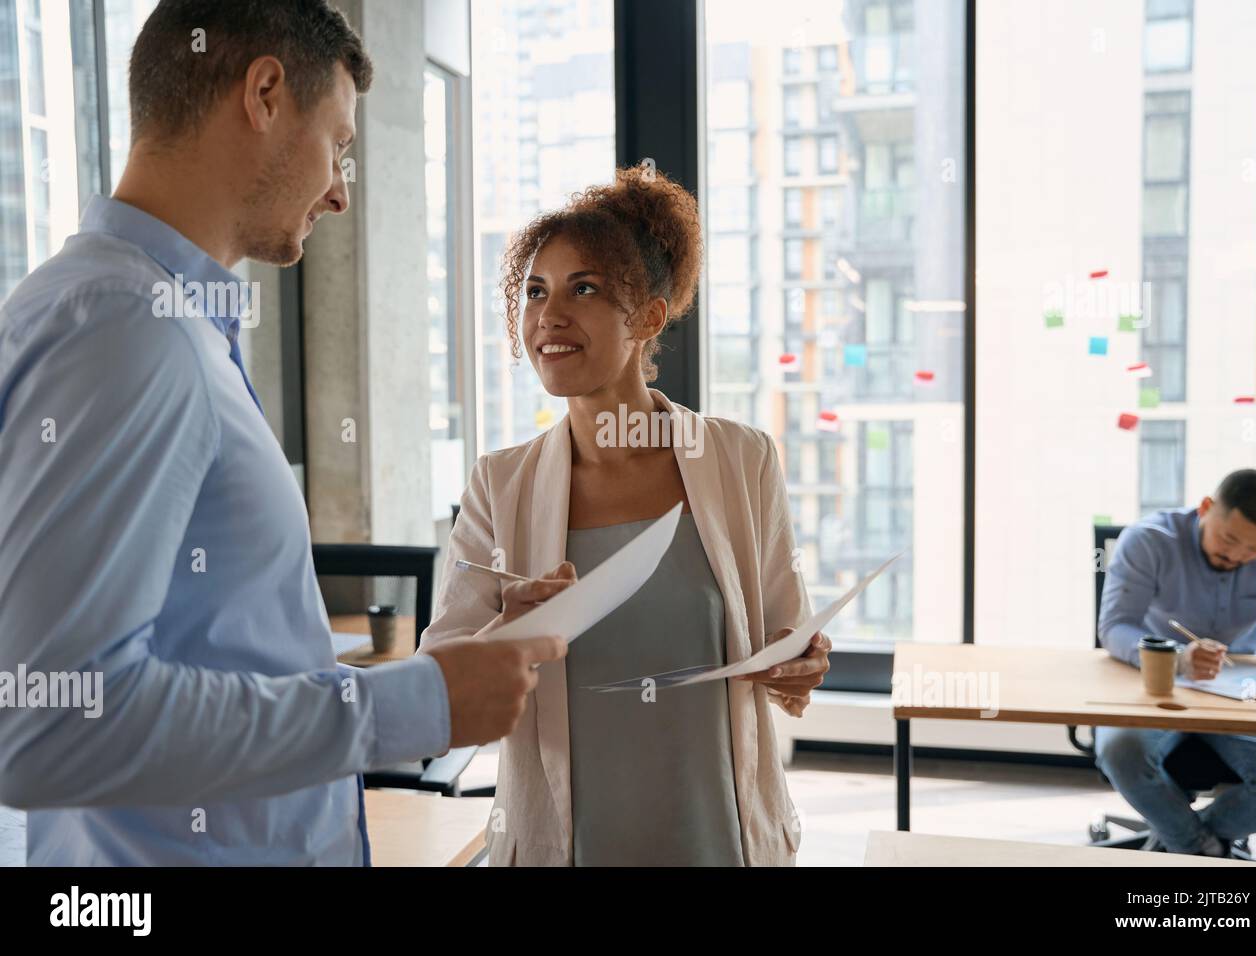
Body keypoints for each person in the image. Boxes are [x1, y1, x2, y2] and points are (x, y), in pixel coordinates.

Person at [0, 0, 562, 865]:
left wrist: (446, 674)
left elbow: (216, 663)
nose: (339, 190)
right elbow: (51, 723)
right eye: (338, 144)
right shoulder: (128, 329)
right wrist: (409, 710)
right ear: (264, 92)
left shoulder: (143, 318)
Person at [425, 167, 831, 866]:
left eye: (583, 288)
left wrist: (801, 663)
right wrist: (505, 630)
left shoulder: (742, 459)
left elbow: (785, 637)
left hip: (719, 840)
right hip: (569, 846)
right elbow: (440, 689)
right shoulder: (501, 485)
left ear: (647, 317)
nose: (548, 315)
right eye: (534, 291)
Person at [1097, 468, 1256, 855]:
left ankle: (1190, 842)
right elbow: (1115, 626)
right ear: (1206, 508)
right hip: (1151, 683)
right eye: (1229, 539)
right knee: (1120, 751)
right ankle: (1206, 852)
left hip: (1240, 690)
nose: (1238, 556)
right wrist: (1175, 658)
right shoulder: (1149, 539)